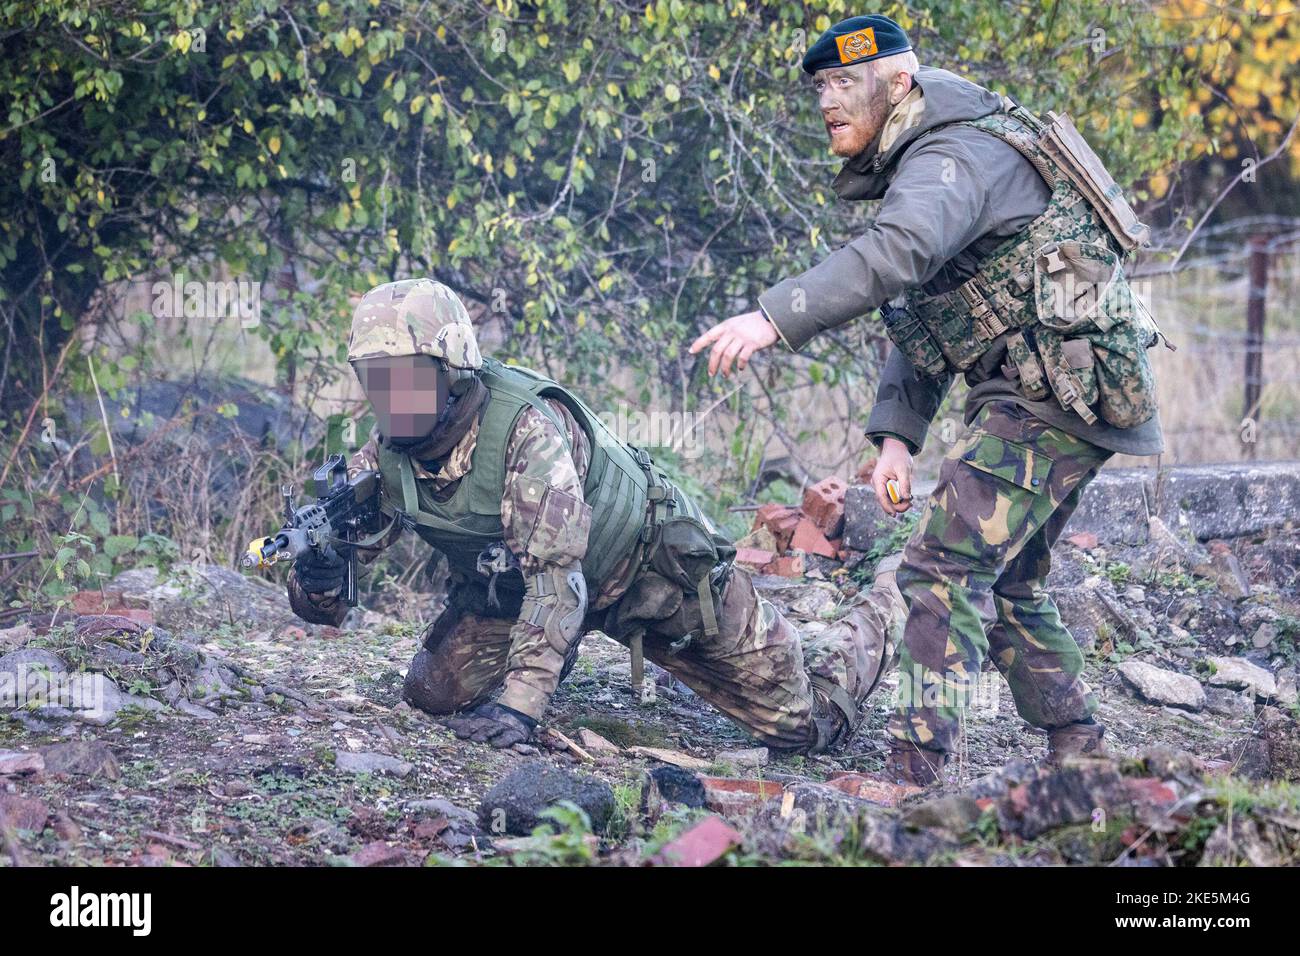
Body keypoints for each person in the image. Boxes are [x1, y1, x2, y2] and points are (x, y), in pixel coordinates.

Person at [691, 14, 1166, 784]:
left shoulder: (952, 155)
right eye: (821, 85)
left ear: (900, 83)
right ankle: (1078, 744)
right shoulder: (933, 148)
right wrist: (896, 442)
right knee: (1005, 579)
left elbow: (896, 255)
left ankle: (912, 775)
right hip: (1058, 396)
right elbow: (933, 307)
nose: (827, 102)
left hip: (1051, 397)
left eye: (846, 82)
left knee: (939, 570)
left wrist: (772, 315)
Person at [287, 277, 904, 754]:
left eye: (407, 379)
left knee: (802, 726)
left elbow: (560, 581)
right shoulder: (387, 454)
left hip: (650, 576)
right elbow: (329, 609)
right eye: (376, 380)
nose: (391, 398)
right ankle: (557, 651)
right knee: (431, 693)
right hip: (514, 590)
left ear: (452, 372)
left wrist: (521, 711)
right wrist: (315, 576)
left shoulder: (527, 431)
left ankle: (887, 601)